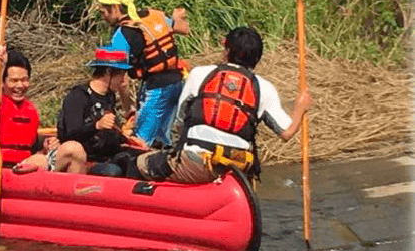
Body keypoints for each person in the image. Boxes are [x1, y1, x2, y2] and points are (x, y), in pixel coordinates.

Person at [121, 27, 312, 185]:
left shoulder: (200, 74)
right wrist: (300, 109)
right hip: (236, 169)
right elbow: (286, 132)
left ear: (227, 50)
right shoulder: (264, 88)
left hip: (196, 164)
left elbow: (180, 122)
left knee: (135, 163)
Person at [97, 0, 190, 148]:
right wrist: (175, 18)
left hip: (157, 90)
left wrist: (128, 111)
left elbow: (122, 81)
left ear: (115, 8)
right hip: (177, 84)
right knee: (162, 141)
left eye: (103, 12)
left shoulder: (122, 34)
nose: (102, 17)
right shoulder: (152, 15)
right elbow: (184, 29)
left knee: (139, 143)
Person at [0, 46, 86, 173]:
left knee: (74, 150)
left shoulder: (31, 109)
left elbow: (32, 150)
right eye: (14, 81)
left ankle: (72, 191)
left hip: (27, 166)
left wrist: (46, 148)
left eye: (24, 80)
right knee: (43, 160)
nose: (20, 85)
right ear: (3, 83)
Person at [56, 47, 136, 168]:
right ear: (109, 72)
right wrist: (96, 125)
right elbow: (71, 133)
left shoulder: (110, 97)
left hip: (107, 154)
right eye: (122, 75)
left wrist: (129, 140)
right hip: (85, 159)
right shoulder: (78, 96)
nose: (123, 81)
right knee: (115, 170)